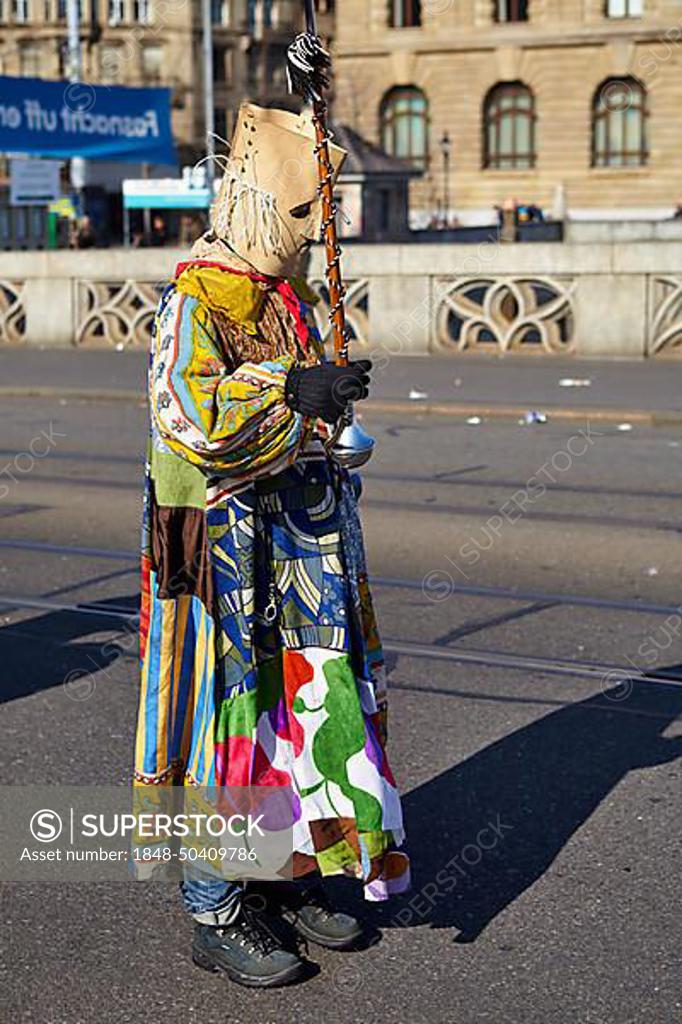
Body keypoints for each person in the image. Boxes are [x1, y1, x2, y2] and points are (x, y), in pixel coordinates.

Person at [134, 102, 410, 989]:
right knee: (232, 722)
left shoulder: (282, 297)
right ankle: (216, 905)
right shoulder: (194, 300)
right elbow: (195, 419)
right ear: (258, 210)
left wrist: (329, 410)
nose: (307, 240)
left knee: (298, 717)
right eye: (301, 220)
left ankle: (288, 869)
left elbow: (300, 416)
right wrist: (293, 388)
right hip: (219, 559)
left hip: (293, 554)